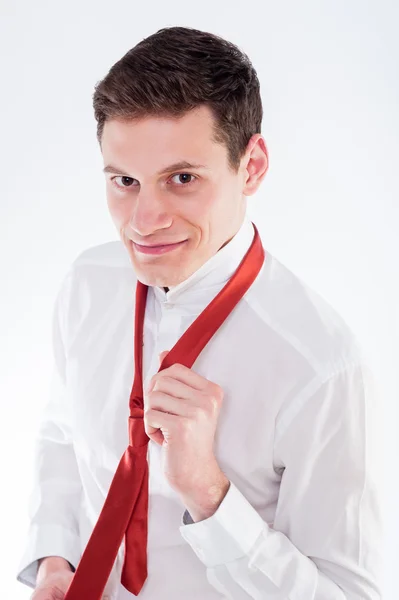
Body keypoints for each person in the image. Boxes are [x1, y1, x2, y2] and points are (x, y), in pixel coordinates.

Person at [16, 25, 382, 600]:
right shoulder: (89, 283)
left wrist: (210, 494)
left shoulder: (322, 366)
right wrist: (54, 558)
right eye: (125, 181)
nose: (143, 220)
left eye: (181, 179)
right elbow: (65, 435)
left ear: (252, 166)